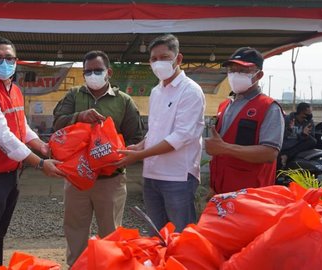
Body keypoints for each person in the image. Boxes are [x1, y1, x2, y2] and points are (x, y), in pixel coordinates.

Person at [0, 37, 65, 267]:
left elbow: (21, 126)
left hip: (10, 172)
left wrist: (41, 146)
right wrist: (40, 163)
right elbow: (3, 136)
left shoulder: (15, 89)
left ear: (16, 60)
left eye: (9, 57)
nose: (4, 62)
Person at [53, 50, 143, 266]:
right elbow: (57, 124)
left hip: (110, 181)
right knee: (75, 232)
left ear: (109, 72)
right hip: (77, 180)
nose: (92, 75)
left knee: (111, 235)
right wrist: (79, 117)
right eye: (88, 71)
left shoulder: (123, 101)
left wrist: (124, 156)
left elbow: (136, 138)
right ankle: (76, 266)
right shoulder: (74, 95)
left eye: (97, 70)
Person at [115, 34, 205, 233]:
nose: (158, 63)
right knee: (157, 234)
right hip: (152, 175)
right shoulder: (156, 91)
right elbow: (156, 130)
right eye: (154, 59)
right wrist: (140, 146)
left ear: (178, 59)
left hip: (178, 176)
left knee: (181, 235)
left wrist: (139, 156)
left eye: (164, 57)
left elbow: (180, 137)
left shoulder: (190, 91)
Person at [205, 47, 284, 194]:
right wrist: (214, 187)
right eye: (232, 70)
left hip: (250, 194)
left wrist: (225, 148)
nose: (235, 75)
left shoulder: (269, 108)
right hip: (222, 192)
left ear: (259, 75)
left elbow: (269, 153)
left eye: (243, 70)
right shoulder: (225, 105)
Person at [279, 102, 316, 168]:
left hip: (299, 144)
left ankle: (287, 156)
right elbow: (284, 136)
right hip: (287, 144)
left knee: (312, 141)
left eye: (311, 113)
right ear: (301, 112)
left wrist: (304, 134)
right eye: (308, 113)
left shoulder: (309, 122)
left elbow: (312, 138)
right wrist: (290, 130)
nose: (310, 115)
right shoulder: (288, 119)